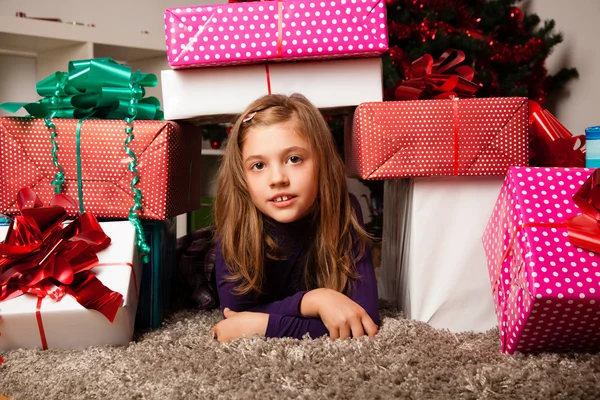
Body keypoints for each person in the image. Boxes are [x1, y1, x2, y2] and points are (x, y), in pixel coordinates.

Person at [210, 93, 379, 342]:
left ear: (321, 161)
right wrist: (312, 300)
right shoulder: (237, 224)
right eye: (258, 165)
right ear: (242, 178)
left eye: (293, 159)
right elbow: (235, 316)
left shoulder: (344, 211)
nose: (278, 178)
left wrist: (261, 323)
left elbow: (364, 322)